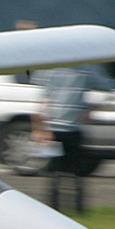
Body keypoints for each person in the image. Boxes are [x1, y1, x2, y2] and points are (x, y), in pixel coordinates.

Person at [39, 67, 91, 213]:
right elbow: (44, 99)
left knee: (77, 172)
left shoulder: (85, 70)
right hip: (55, 129)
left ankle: (78, 207)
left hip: (75, 129)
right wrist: (44, 128)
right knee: (55, 171)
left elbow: (103, 86)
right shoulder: (52, 70)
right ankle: (54, 206)